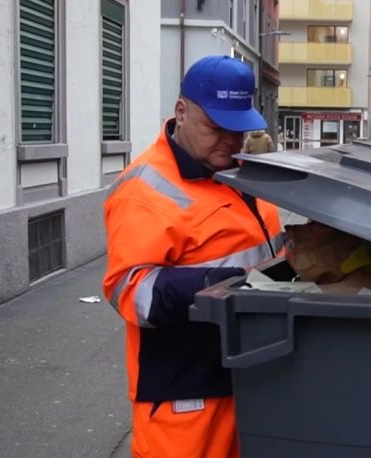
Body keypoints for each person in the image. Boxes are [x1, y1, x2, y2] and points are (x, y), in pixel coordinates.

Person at [103, 55, 283, 458]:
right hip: (184, 394)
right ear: (181, 112)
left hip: (252, 375)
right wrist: (223, 284)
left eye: (239, 130)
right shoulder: (143, 191)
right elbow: (131, 292)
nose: (232, 142)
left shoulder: (238, 171)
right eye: (217, 128)